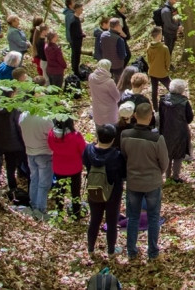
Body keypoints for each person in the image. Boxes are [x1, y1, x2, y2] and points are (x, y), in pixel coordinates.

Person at [120, 102, 169, 260]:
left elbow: (125, 156)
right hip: (152, 182)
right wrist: (157, 173)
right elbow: (164, 163)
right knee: (153, 217)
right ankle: (153, 252)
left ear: (135, 116)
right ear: (150, 118)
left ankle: (132, 251)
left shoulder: (125, 135)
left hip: (133, 181)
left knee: (133, 217)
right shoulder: (157, 138)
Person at [83, 123, 126, 256]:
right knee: (112, 221)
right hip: (113, 191)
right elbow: (124, 174)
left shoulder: (88, 150)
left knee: (95, 219)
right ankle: (111, 250)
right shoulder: (117, 155)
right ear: (113, 138)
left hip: (94, 188)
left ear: (98, 136)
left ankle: (90, 248)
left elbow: (85, 164)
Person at [18, 106, 54, 219]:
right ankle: (41, 210)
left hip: (30, 152)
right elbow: (53, 134)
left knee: (34, 179)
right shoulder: (45, 118)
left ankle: (34, 206)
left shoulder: (23, 115)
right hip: (44, 153)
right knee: (43, 183)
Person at [48, 118, 86, 218]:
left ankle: (59, 212)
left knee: (59, 190)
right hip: (75, 168)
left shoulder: (51, 134)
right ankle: (76, 213)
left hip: (59, 167)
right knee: (75, 191)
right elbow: (83, 150)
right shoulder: (75, 136)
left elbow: (51, 147)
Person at [0, 89, 27, 202]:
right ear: (11, 95)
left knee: (9, 166)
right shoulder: (14, 109)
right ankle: (25, 185)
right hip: (16, 143)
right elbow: (19, 127)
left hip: (3, 142)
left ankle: (12, 187)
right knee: (25, 163)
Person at [158, 79, 193, 183]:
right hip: (180, 132)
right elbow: (189, 118)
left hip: (166, 131)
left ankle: (167, 176)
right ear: (182, 90)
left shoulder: (163, 100)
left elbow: (160, 116)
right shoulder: (184, 102)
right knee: (178, 155)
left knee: (167, 153)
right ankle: (176, 177)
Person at [89, 60, 122, 128]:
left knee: (100, 131)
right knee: (111, 132)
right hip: (109, 112)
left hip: (97, 110)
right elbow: (117, 97)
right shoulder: (109, 82)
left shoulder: (91, 77)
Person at [146, 26, 172, 106]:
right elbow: (167, 62)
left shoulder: (149, 46)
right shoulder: (164, 48)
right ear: (159, 35)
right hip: (162, 73)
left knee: (154, 90)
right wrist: (166, 69)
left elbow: (149, 60)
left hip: (152, 71)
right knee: (171, 87)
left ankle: (155, 107)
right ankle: (176, 102)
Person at [69, 4, 85, 78]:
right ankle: (76, 72)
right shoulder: (74, 21)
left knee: (75, 56)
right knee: (76, 57)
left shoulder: (76, 19)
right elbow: (75, 34)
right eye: (81, 9)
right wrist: (82, 35)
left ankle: (75, 69)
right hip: (76, 42)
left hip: (77, 42)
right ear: (77, 9)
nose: (82, 10)